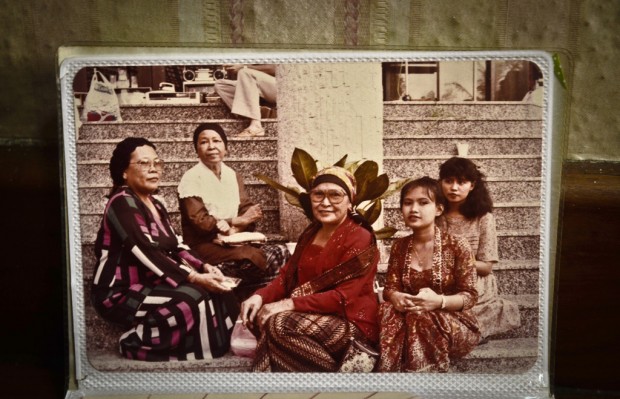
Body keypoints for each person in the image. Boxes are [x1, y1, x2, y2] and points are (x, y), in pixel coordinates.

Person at [91, 137, 239, 362]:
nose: (153, 169)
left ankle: (207, 347)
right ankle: (134, 342)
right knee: (191, 298)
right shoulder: (122, 202)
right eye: (143, 164)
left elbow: (175, 245)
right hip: (118, 291)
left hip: (151, 283)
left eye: (157, 163)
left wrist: (206, 267)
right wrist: (194, 277)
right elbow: (145, 250)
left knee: (220, 292)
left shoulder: (156, 204)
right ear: (124, 172)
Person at [240, 166, 380, 372]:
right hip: (311, 317)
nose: (325, 203)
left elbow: (342, 297)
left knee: (280, 325)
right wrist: (260, 296)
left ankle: (340, 386)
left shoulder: (360, 237)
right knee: (258, 315)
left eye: (335, 195)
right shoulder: (311, 232)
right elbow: (287, 275)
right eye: (318, 195)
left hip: (351, 322)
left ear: (350, 201)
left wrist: (289, 304)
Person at [377, 177, 480, 372]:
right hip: (409, 318)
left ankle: (426, 376)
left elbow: (470, 296)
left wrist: (439, 301)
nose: (414, 209)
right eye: (408, 203)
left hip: (454, 321)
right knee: (387, 310)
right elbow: (390, 287)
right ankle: (388, 376)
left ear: (439, 209)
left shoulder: (457, 245)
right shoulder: (400, 246)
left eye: (423, 203)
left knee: (420, 316)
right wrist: (397, 296)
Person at [177, 123, 288, 296]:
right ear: (196, 149)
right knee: (248, 257)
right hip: (204, 243)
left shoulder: (232, 174)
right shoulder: (191, 178)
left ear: (225, 147)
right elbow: (200, 221)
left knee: (280, 251)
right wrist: (234, 221)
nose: (211, 146)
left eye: (217, 141)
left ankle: (256, 293)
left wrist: (241, 223)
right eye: (204, 142)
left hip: (233, 238)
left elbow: (245, 206)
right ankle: (236, 293)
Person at [436, 157, 521, 340]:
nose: (454, 187)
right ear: (440, 182)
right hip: (440, 276)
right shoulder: (436, 214)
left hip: (475, 281)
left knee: (461, 309)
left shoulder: (483, 218)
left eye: (461, 182)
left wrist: (459, 261)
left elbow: (486, 267)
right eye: (448, 181)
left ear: (472, 185)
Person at [214, 64, 277, 137]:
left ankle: (256, 125)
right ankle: (259, 112)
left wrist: (244, 67)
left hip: (281, 87)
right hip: (260, 86)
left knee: (244, 72)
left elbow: (275, 69)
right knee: (220, 84)